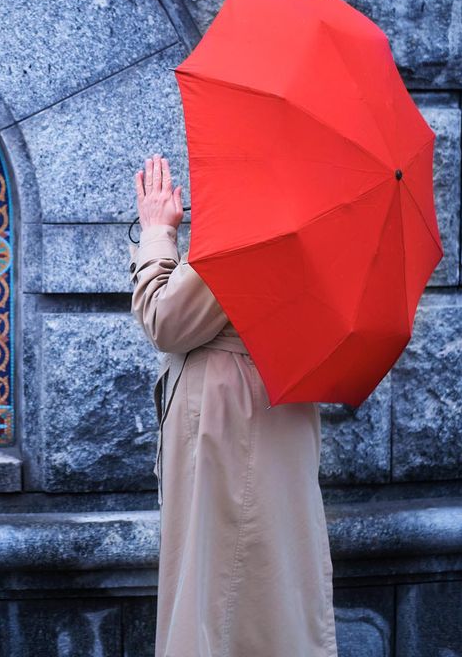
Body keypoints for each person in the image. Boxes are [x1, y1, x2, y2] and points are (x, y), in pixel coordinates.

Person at [130, 154, 338, 657]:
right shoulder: (318, 210)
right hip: (274, 406)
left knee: (221, 601)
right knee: (269, 589)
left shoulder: (253, 215)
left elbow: (167, 321)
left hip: (230, 421)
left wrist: (157, 233)